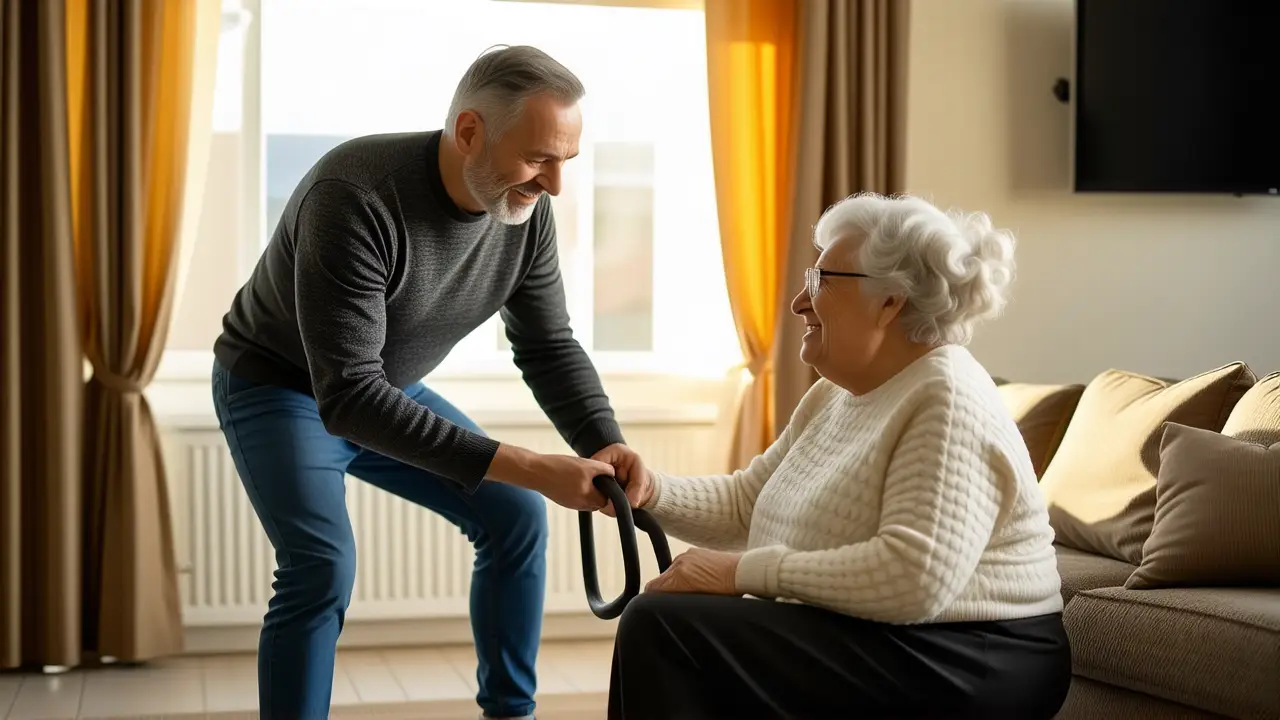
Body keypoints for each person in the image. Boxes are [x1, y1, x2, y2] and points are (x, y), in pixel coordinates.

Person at [210, 45, 649, 720]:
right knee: (321, 567)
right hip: (279, 387)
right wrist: (531, 463)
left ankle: (510, 714)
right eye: (538, 158)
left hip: (382, 383)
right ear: (469, 130)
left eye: (566, 161)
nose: (555, 185)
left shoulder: (525, 214)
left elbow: (546, 342)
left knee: (515, 516)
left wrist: (603, 439)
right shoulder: (354, 195)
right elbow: (349, 396)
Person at [606, 193, 1072, 719]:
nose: (800, 302)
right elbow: (747, 504)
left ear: (890, 302)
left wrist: (737, 574)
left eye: (822, 281)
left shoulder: (947, 395)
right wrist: (649, 489)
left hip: (974, 655)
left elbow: (913, 576)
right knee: (665, 620)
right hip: (899, 636)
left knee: (665, 626)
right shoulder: (839, 393)